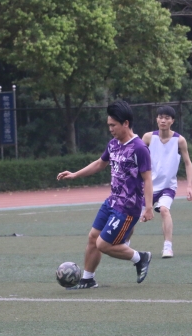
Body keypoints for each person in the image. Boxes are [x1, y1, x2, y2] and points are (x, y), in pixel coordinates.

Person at [57, 100, 154, 289]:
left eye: (113, 125)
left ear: (126, 123)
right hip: (112, 202)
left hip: (128, 208)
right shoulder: (113, 144)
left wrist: (148, 208)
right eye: (109, 125)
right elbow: (100, 163)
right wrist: (75, 174)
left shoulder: (139, 148)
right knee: (93, 237)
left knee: (103, 244)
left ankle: (140, 258)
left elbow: (148, 179)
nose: (110, 129)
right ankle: (88, 279)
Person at [140, 106, 192, 258]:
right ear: (156, 119)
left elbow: (188, 163)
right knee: (134, 215)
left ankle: (168, 247)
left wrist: (189, 186)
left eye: (167, 118)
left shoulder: (179, 140)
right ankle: (125, 244)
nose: (163, 120)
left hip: (168, 186)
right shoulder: (148, 137)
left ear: (172, 121)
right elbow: (137, 159)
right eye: (160, 117)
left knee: (164, 210)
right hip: (148, 186)